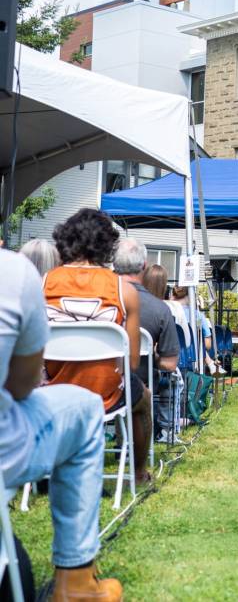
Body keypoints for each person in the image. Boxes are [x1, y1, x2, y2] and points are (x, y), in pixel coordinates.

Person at [0, 247, 123, 600]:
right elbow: (21, 384)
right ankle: (76, 581)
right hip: (10, 443)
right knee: (86, 407)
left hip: (53, 378)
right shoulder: (15, 273)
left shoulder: (48, 282)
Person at [44, 208, 153, 486]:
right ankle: (138, 474)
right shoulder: (123, 290)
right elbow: (131, 364)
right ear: (107, 245)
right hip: (105, 395)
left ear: (65, 240)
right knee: (145, 398)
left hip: (52, 392)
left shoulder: (42, 283)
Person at [113, 240, 179, 441]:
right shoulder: (159, 309)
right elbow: (170, 363)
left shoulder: (98, 302)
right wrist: (152, 354)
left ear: (114, 265)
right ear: (144, 266)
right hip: (138, 385)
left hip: (93, 383)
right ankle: (137, 463)